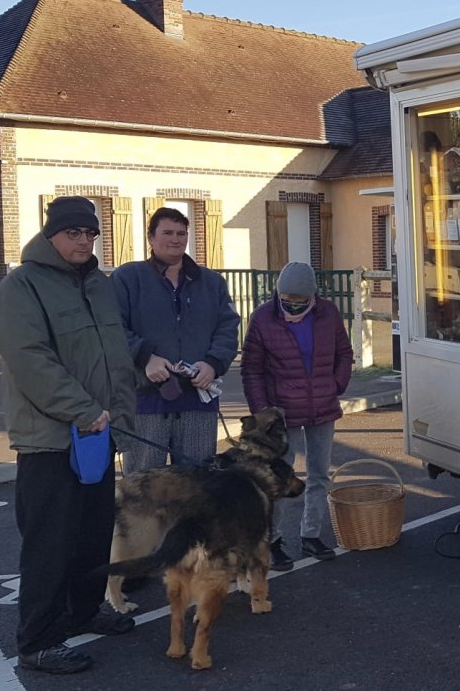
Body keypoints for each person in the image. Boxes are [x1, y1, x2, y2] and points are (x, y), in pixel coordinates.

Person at [0, 196, 137, 675]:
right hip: (50, 441)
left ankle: (85, 610)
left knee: (93, 534)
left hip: (99, 433)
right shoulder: (21, 287)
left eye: (90, 233)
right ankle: (38, 641)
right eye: (74, 232)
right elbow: (30, 360)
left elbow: (114, 356)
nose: (83, 241)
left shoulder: (98, 284)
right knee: (49, 543)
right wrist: (82, 410)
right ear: (51, 233)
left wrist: (120, 419)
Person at [110, 206, 241, 473]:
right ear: (150, 237)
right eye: (167, 232)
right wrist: (145, 356)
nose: (176, 239)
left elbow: (228, 327)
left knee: (197, 488)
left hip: (197, 400)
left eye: (181, 233)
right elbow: (111, 327)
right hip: (145, 400)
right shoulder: (127, 278)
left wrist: (213, 363)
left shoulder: (212, 282)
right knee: (143, 487)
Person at [241, 261, 353, 570]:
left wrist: (336, 384)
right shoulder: (263, 318)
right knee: (276, 480)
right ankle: (273, 541)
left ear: (312, 296)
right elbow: (252, 370)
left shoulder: (328, 313)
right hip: (280, 414)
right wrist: (263, 412)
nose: (292, 304)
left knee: (319, 474)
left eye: (299, 300)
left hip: (322, 407)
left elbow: (345, 354)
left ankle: (311, 534)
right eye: (286, 298)